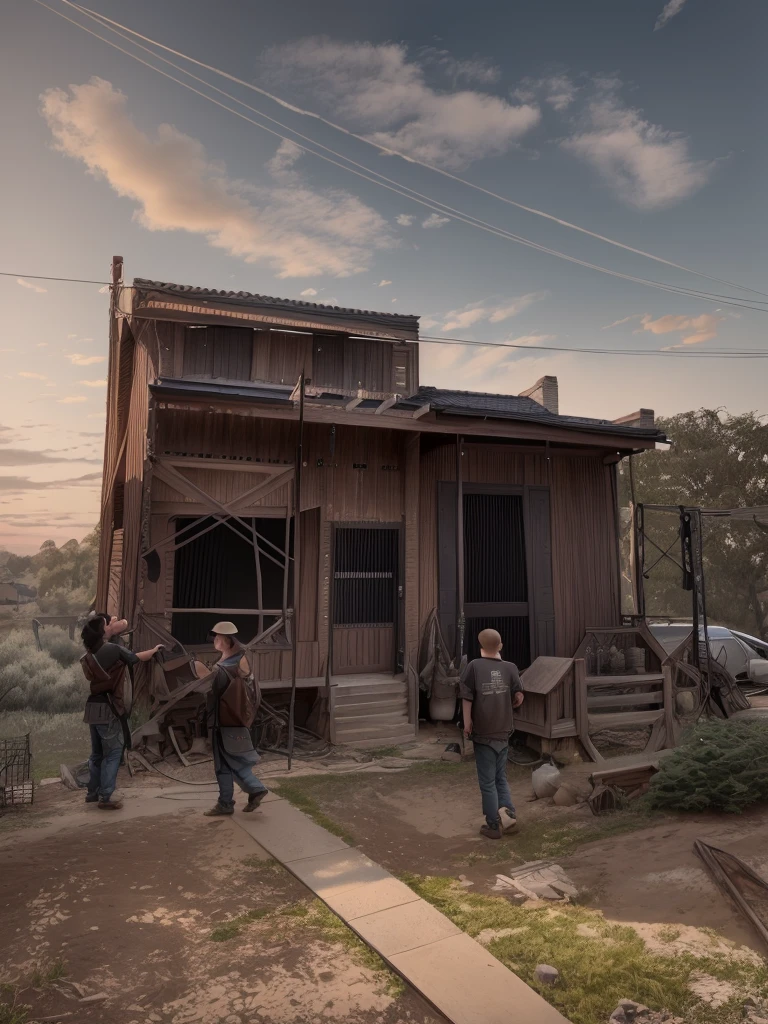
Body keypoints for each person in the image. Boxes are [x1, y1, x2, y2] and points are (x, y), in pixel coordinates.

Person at [80, 613, 163, 810]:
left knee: (96, 754)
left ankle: (92, 792)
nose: (111, 624)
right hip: (108, 708)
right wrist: (154, 650)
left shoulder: (90, 653)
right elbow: (134, 658)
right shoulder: (112, 649)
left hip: (93, 707)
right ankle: (106, 796)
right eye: (107, 624)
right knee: (113, 753)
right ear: (103, 632)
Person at [194, 621, 267, 817]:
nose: (215, 640)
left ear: (227, 641)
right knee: (227, 764)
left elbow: (215, 688)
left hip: (224, 722)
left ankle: (254, 788)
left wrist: (201, 671)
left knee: (230, 763)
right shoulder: (236, 660)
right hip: (231, 721)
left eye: (218, 637)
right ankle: (226, 802)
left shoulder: (229, 666)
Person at [460, 627, 525, 840]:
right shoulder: (511, 668)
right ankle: (508, 812)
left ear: (480, 646)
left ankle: (493, 826)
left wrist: (467, 723)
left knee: (487, 782)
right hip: (504, 731)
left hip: (484, 733)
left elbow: (467, 697)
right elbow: (519, 695)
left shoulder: (474, 667)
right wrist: (515, 697)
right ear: (501, 646)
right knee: (500, 777)